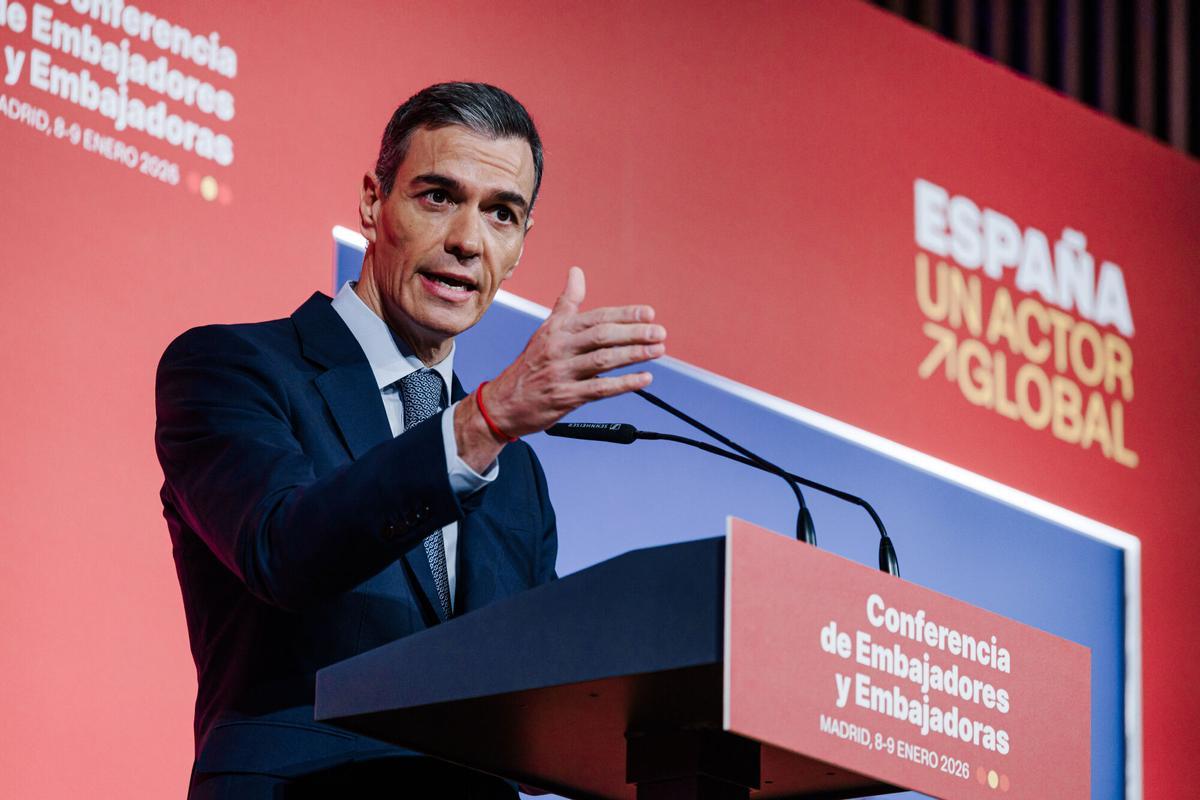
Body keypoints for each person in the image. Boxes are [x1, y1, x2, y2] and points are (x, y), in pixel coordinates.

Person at [155, 82, 667, 799]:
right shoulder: (233, 370)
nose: (466, 240)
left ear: (518, 249)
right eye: (437, 197)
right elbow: (282, 550)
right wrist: (482, 423)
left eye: (500, 214)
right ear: (372, 202)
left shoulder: (516, 477)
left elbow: (537, 694)